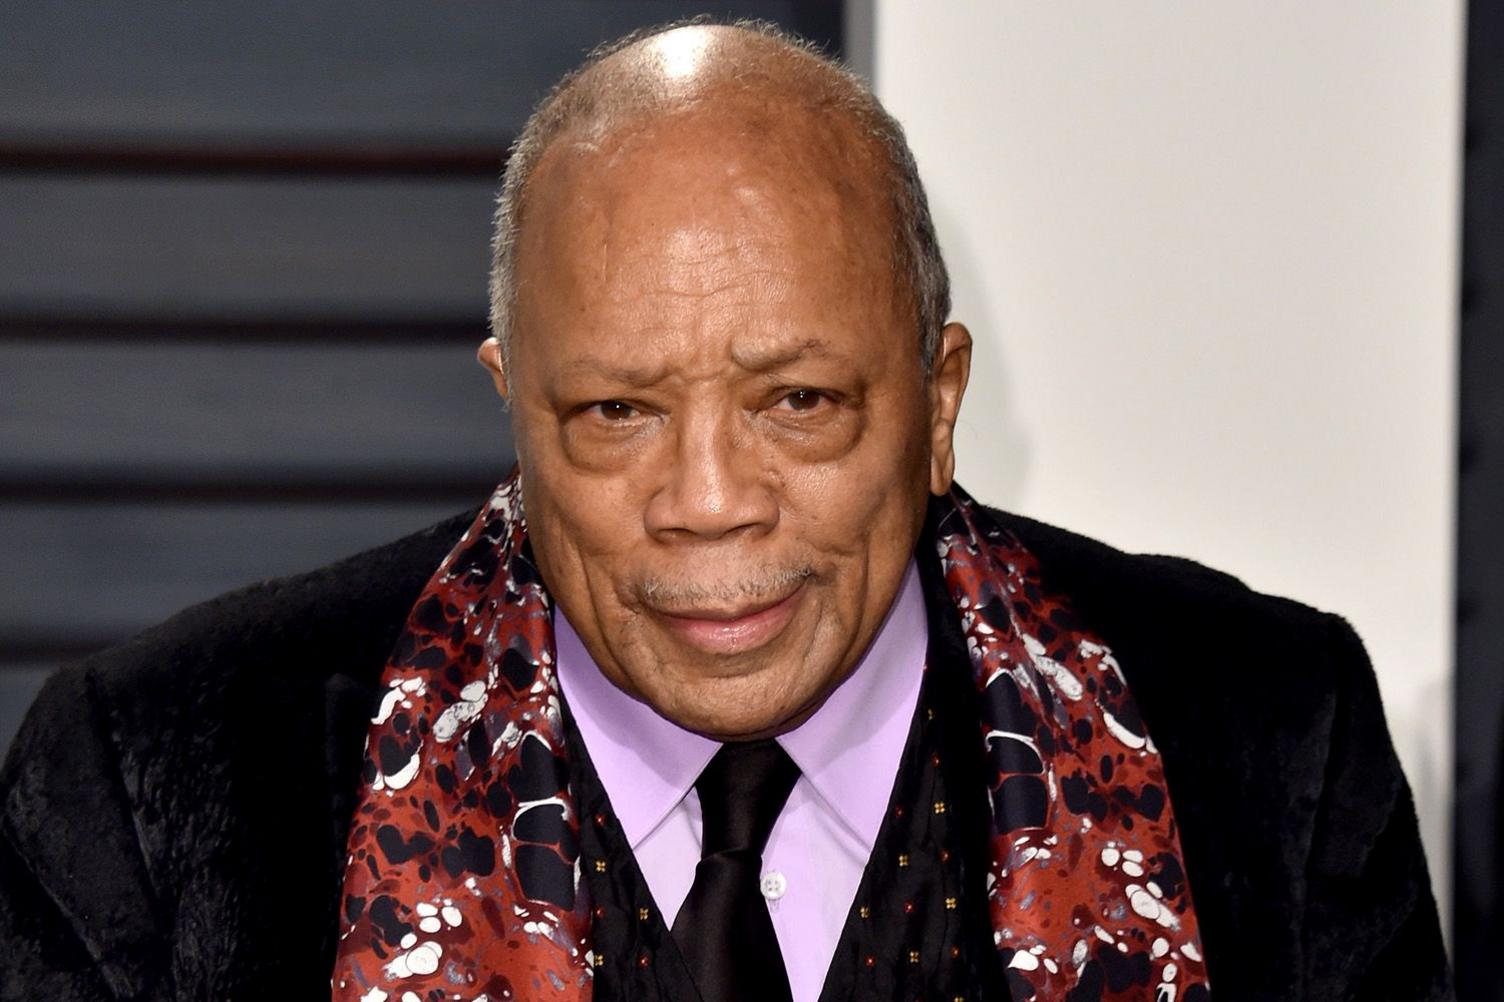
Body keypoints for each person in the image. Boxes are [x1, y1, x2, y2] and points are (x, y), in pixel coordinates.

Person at [0, 21, 1450, 1002]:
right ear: (514, 402)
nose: (707, 504)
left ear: (940, 400)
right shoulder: (150, 787)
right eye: (616, 412)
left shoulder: (1271, 739)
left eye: (799, 402)